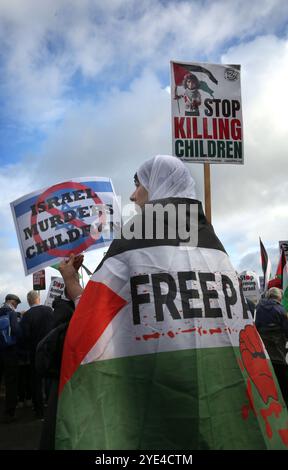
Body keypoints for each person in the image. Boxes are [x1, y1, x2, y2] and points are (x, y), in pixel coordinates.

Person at [56, 155, 288, 450]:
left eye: (138, 184)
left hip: (153, 410)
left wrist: (73, 285)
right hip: (223, 408)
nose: (132, 195)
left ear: (157, 186)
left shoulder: (132, 241)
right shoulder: (216, 247)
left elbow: (94, 329)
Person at [20, 290, 53, 419]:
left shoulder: (27, 316)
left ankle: (39, 411)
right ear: (38, 299)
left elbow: (24, 336)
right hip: (49, 350)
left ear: (28, 301)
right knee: (50, 379)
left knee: (36, 382)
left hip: (35, 352)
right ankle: (51, 407)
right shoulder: (49, 310)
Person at [255, 287, 288, 405]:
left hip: (264, 349)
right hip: (278, 347)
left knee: (268, 371)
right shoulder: (280, 309)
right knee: (281, 372)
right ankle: (284, 399)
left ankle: (268, 397)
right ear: (278, 297)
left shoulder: (259, 308)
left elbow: (256, 327)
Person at [0, 294, 21, 422]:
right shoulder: (12, 314)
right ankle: (9, 413)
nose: (17, 305)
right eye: (16, 303)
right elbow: (17, 331)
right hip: (10, 352)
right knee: (11, 382)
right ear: (12, 302)